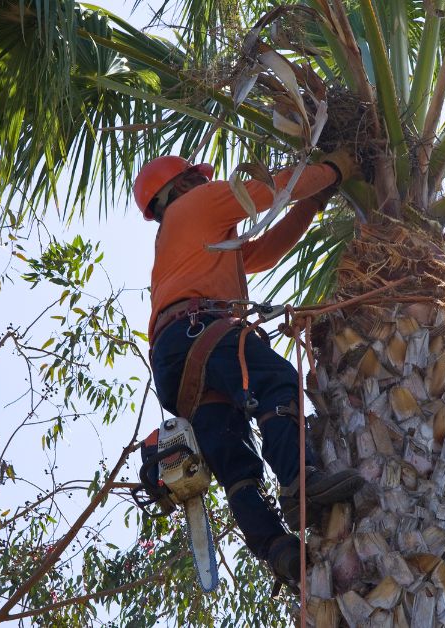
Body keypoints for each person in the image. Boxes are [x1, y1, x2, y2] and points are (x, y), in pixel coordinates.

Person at [137, 152, 364, 586]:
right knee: (276, 381)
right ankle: (300, 479)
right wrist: (337, 167)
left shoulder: (185, 236)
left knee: (236, 464)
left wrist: (315, 202)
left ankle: (276, 548)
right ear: (183, 185)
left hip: (175, 362)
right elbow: (269, 190)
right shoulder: (197, 205)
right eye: (197, 178)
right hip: (197, 331)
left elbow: (264, 253)